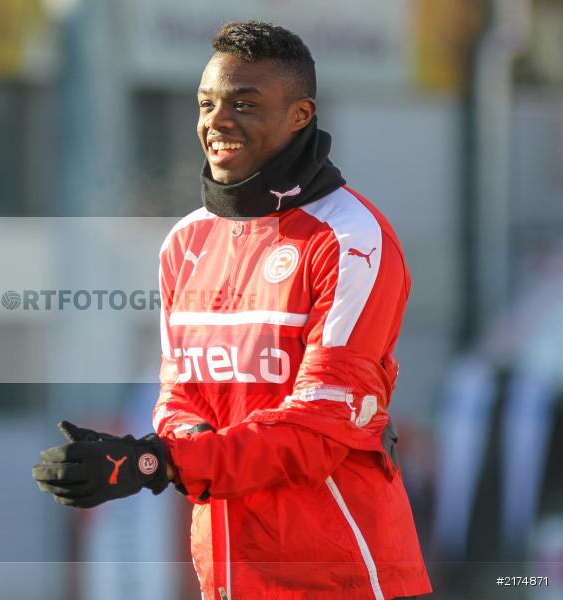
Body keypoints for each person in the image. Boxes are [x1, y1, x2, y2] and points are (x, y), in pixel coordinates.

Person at [33, 21, 432, 599]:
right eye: (206, 103)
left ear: (301, 115)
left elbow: (316, 430)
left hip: (348, 581)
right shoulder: (185, 242)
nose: (216, 122)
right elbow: (179, 396)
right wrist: (167, 453)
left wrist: (157, 463)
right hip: (225, 578)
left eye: (244, 104)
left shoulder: (351, 239)